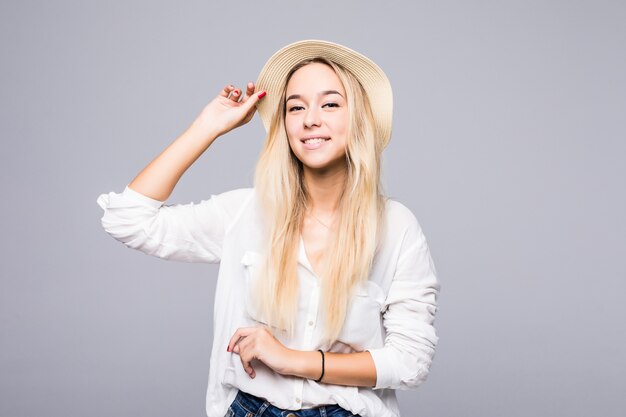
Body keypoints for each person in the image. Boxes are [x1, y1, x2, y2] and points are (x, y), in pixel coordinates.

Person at [97, 39, 440, 417]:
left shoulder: (396, 228)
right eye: (296, 107)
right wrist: (207, 127)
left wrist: (293, 360)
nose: (311, 119)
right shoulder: (246, 212)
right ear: (285, 125)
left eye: (330, 104)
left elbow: (410, 363)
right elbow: (127, 219)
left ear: (358, 118)